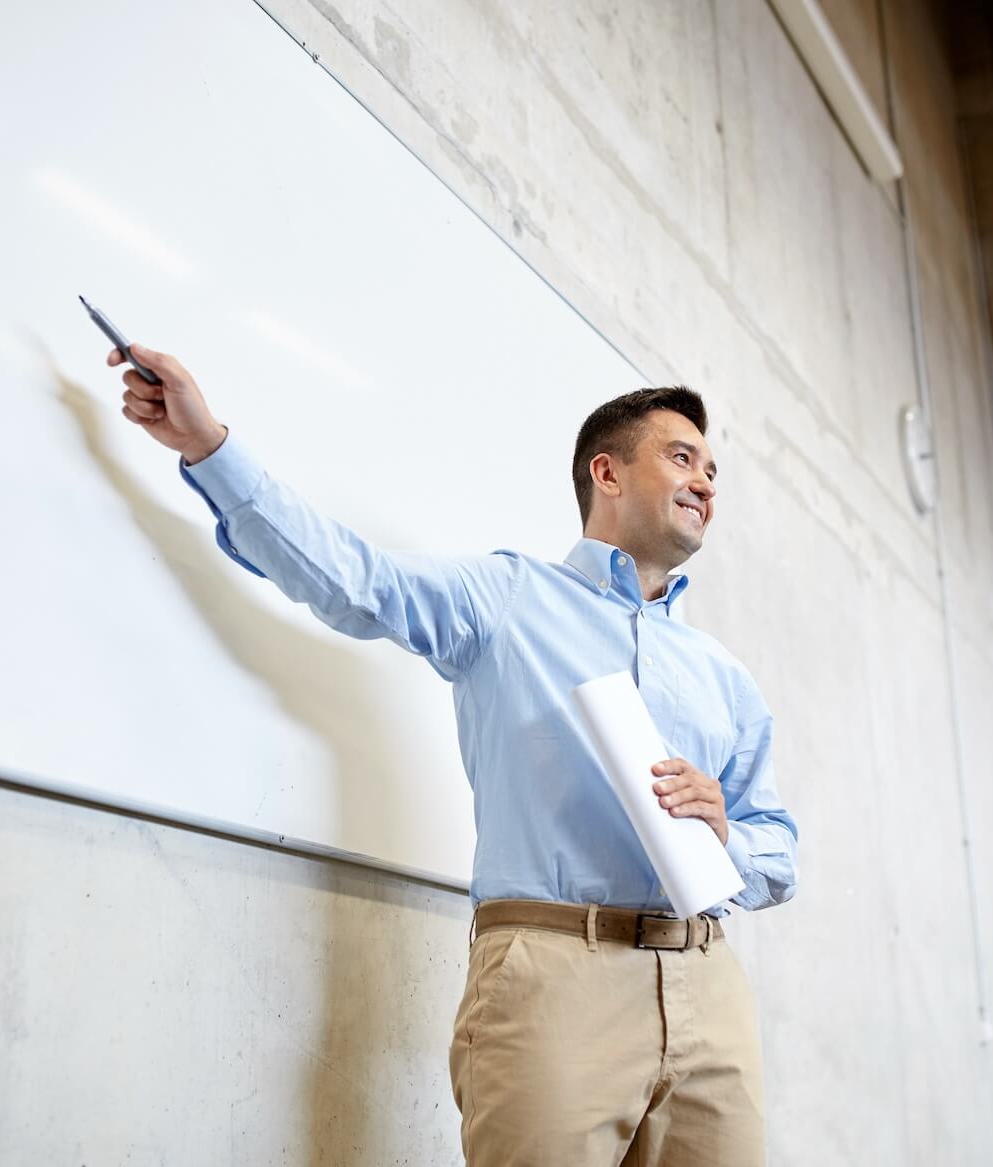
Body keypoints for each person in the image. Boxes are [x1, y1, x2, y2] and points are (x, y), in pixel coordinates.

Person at [108, 342, 799, 1166]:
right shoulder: (508, 598)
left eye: (714, 471)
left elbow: (780, 847)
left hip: (709, 987)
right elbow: (354, 579)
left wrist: (729, 837)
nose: (706, 482)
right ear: (606, 474)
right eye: (683, 457)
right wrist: (210, 448)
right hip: (555, 974)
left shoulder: (726, 677)